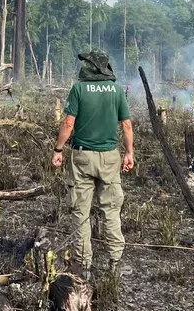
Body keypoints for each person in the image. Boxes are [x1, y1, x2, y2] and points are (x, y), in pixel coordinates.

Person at [52, 51, 134, 278]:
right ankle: (116, 263)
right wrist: (129, 153)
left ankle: (83, 266)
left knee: (81, 211)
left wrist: (58, 149)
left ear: (92, 67)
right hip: (109, 157)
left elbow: (68, 124)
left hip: (82, 158)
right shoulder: (116, 91)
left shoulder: (78, 89)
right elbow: (126, 126)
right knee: (111, 211)